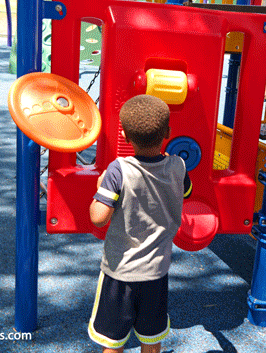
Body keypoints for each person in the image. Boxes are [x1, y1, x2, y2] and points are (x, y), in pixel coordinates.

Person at [88, 95, 192, 353]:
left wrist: (101, 188)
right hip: (156, 272)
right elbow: (187, 191)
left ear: (123, 135)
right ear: (167, 133)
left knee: (112, 342)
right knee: (151, 339)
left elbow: (98, 217)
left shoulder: (118, 170)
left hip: (120, 273)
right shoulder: (179, 165)